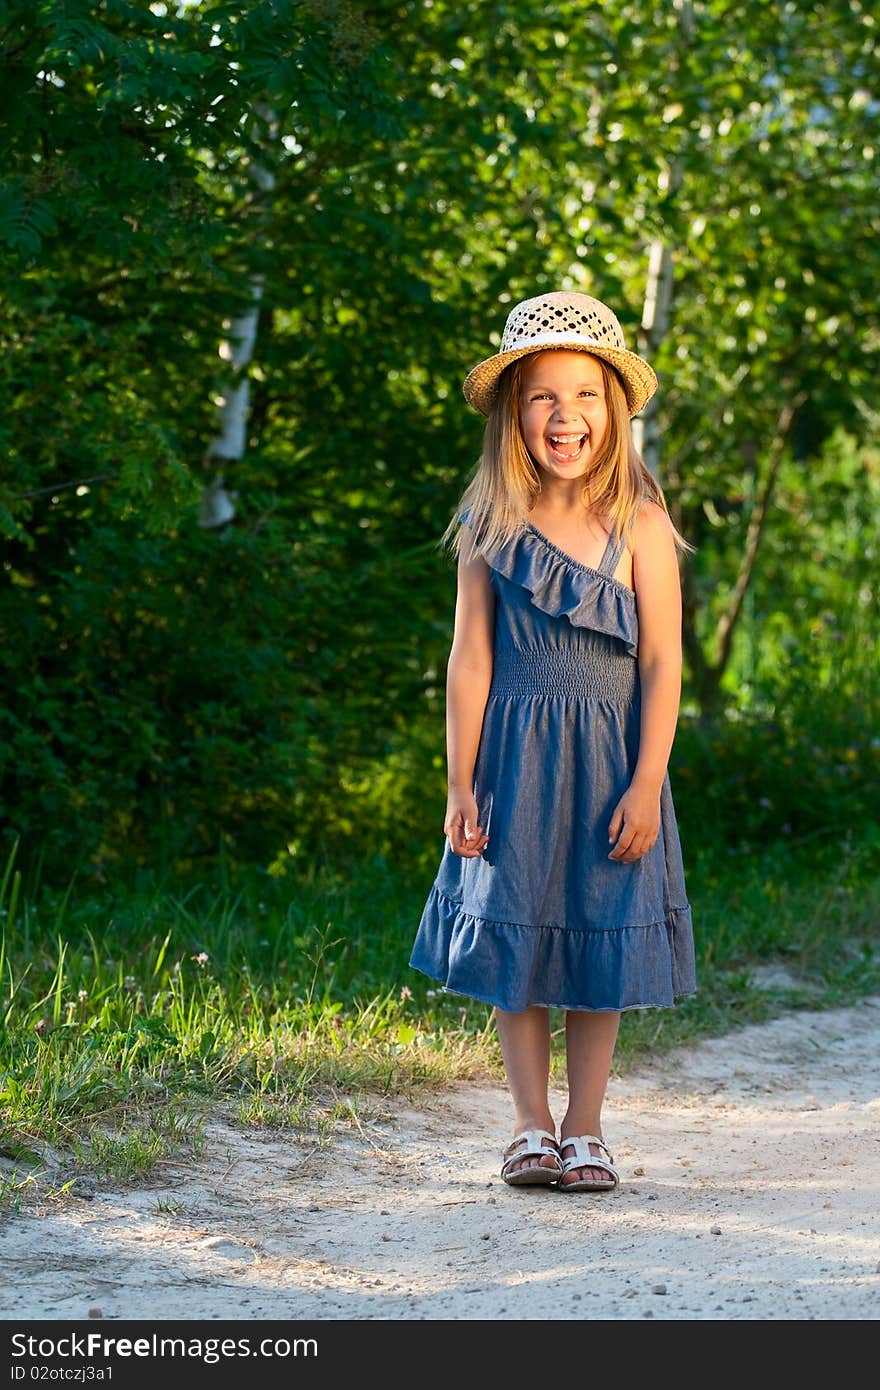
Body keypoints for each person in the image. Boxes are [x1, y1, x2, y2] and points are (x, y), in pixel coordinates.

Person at [409, 290, 696, 1192]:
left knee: (598, 934)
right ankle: (530, 1124)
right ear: (512, 413)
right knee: (519, 936)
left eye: (583, 395)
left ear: (612, 408)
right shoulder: (489, 527)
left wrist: (647, 779)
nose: (563, 416)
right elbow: (468, 661)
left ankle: (587, 1127)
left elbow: (661, 663)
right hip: (514, 760)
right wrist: (459, 782)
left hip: (612, 759)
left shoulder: (642, 526)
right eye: (541, 396)